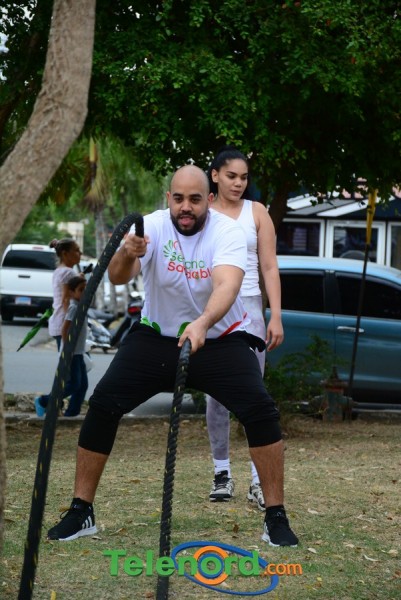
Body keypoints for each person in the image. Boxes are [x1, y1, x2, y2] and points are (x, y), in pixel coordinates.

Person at [46, 165, 298, 547]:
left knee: (261, 411)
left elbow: (228, 284)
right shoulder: (150, 226)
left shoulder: (227, 231)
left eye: (195, 199)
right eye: (178, 199)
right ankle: (81, 511)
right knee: (103, 404)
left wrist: (202, 323)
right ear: (169, 199)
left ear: (209, 199)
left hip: (221, 338)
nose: (186, 207)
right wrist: (127, 253)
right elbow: (117, 276)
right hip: (157, 338)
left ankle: (275, 516)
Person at [206, 147, 284, 511]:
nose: (238, 183)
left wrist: (275, 315)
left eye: (244, 177)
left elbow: (269, 266)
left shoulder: (257, 212)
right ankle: (221, 473)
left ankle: (257, 480)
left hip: (251, 309)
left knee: (254, 396)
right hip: (215, 310)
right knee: (215, 397)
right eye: (231, 176)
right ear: (215, 175)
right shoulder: (204, 213)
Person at [34, 238, 83, 417]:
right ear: (65, 253)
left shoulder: (62, 271)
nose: (80, 254)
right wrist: (67, 328)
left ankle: (72, 413)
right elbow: (65, 300)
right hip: (66, 326)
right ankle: (45, 401)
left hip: (63, 325)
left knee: (80, 378)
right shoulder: (67, 273)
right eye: (76, 250)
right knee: (73, 380)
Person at [61, 276, 89, 417]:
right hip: (72, 353)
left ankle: (72, 413)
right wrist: (67, 349)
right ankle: (44, 401)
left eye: (86, 289)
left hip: (79, 352)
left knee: (82, 385)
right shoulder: (74, 307)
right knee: (74, 384)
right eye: (81, 290)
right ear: (72, 292)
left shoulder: (81, 306)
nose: (85, 292)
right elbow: (65, 329)